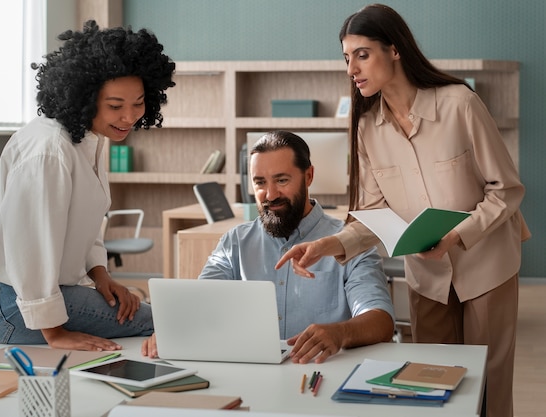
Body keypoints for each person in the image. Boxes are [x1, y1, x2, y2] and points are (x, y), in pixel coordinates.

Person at [275, 4, 530, 416]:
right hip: (426, 274)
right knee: (432, 385)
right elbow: (377, 214)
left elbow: (507, 190)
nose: (352, 69)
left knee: (489, 386)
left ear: (394, 50)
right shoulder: (366, 128)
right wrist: (327, 245)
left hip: (486, 265)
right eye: (346, 58)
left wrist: (456, 235)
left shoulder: (459, 104)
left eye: (362, 54)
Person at [0, 21, 176, 352]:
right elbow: (30, 246)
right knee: (161, 322)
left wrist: (101, 274)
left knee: (154, 316)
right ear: (84, 98)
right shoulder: (50, 150)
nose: (129, 116)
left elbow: (81, 224)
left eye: (139, 102)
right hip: (4, 299)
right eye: (115, 106)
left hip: (19, 292)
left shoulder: (91, 136)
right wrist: (55, 333)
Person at [142, 131, 395, 363]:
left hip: (320, 371)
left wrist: (340, 333)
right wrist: (173, 330)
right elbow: (200, 303)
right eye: (260, 183)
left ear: (308, 176)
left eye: (282, 180)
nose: (270, 194)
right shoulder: (235, 242)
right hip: (251, 374)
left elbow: (381, 321)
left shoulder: (348, 242)